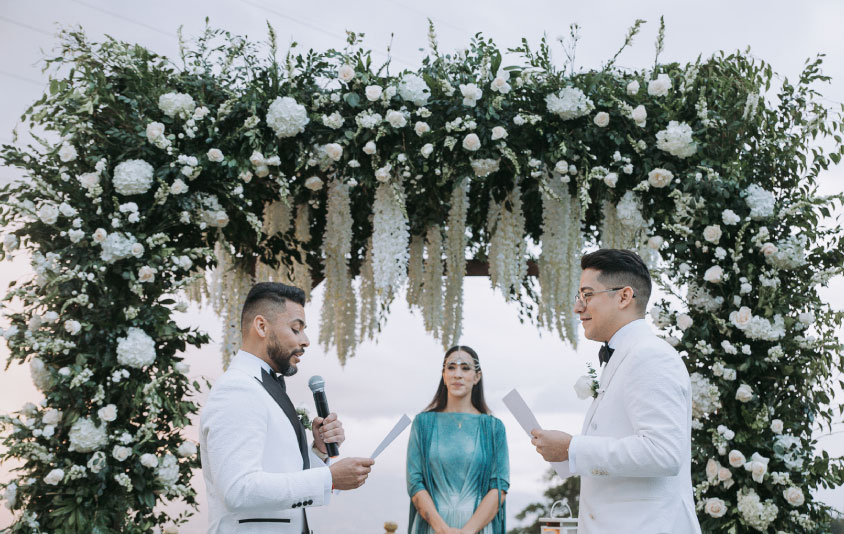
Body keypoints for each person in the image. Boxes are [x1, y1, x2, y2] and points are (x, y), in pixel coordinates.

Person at [530, 249, 701, 533]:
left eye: (587, 295)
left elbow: (663, 452)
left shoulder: (650, 355)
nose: (577, 307)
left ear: (623, 297)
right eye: (579, 296)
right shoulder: (625, 355)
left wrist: (573, 447)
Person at [199, 282, 375, 534]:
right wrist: (329, 478)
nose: (305, 341)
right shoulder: (237, 389)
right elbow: (238, 490)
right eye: (296, 329)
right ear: (262, 326)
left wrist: (318, 452)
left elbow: (280, 471)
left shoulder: (262, 385)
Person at [406, 345, 509, 534]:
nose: (457, 374)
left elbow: (499, 487)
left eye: (466, 368)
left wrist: (467, 531)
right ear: (444, 375)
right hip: (432, 527)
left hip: (479, 528)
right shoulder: (423, 424)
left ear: (477, 376)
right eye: (451, 367)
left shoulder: (493, 428)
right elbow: (415, 482)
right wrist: (442, 529)